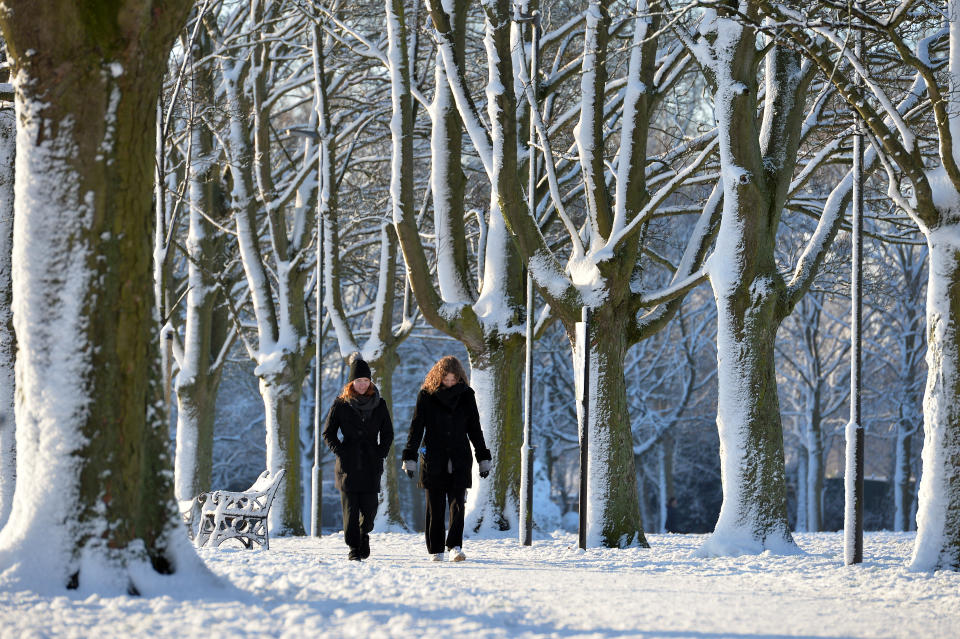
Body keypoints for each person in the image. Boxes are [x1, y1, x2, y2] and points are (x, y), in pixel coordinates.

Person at [402, 355, 492, 562]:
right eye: (447, 379)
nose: (450, 382)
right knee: (434, 505)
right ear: (438, 377)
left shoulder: (467, 395)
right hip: (433, 456)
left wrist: (483, 458)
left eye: (454, 379)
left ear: (459, 377)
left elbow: (475, 428)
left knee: (457, 504)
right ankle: (436, 549)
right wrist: (410, 457)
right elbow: (416, 428)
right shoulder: (426, 395)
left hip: (459, 456)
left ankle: (455, 546)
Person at [322, 355, 393, 561]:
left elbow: (388, 433)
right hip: (348, 464)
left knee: (369, 510)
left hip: (371, 462)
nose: (362, 384)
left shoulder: (380, 404)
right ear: (351, 382)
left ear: (370, 382)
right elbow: (329, 433)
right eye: (358, 380)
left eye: (365, 380)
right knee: (350, 511)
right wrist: (341, 451)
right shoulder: (341, 404)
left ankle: (364, 534)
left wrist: (381, 451)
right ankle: (354, 548)